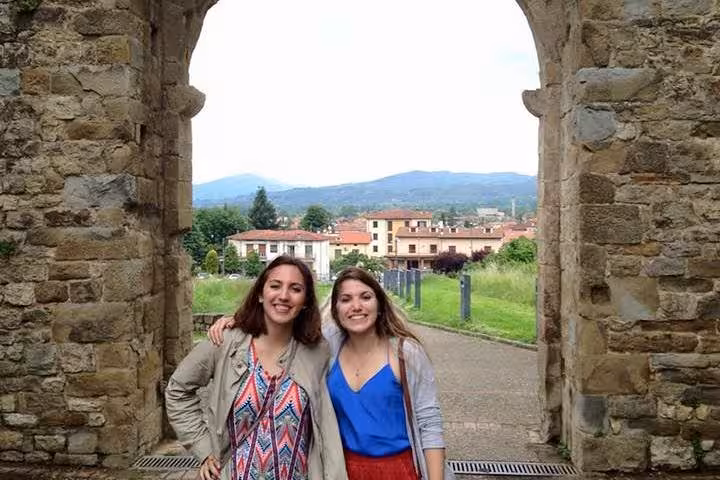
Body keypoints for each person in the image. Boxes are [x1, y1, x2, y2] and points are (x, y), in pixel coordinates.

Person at [209, 267, 451, 480]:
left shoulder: (405, 353)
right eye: (346, 299)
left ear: (379, 304)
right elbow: (282, 329)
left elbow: (429, 424)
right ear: (335, 309)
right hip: (341, 469)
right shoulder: (327, 347)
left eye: (365, 297)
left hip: (398, 468)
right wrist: (240, 323)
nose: (356, 306)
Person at [166, 255, 348, 480]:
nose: (283, 296)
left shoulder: (317, 351)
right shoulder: (226, 342)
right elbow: (178, 390)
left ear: (306, 302)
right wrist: (204, 450)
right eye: (275, 286)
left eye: (295, 289)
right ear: (261, 294)